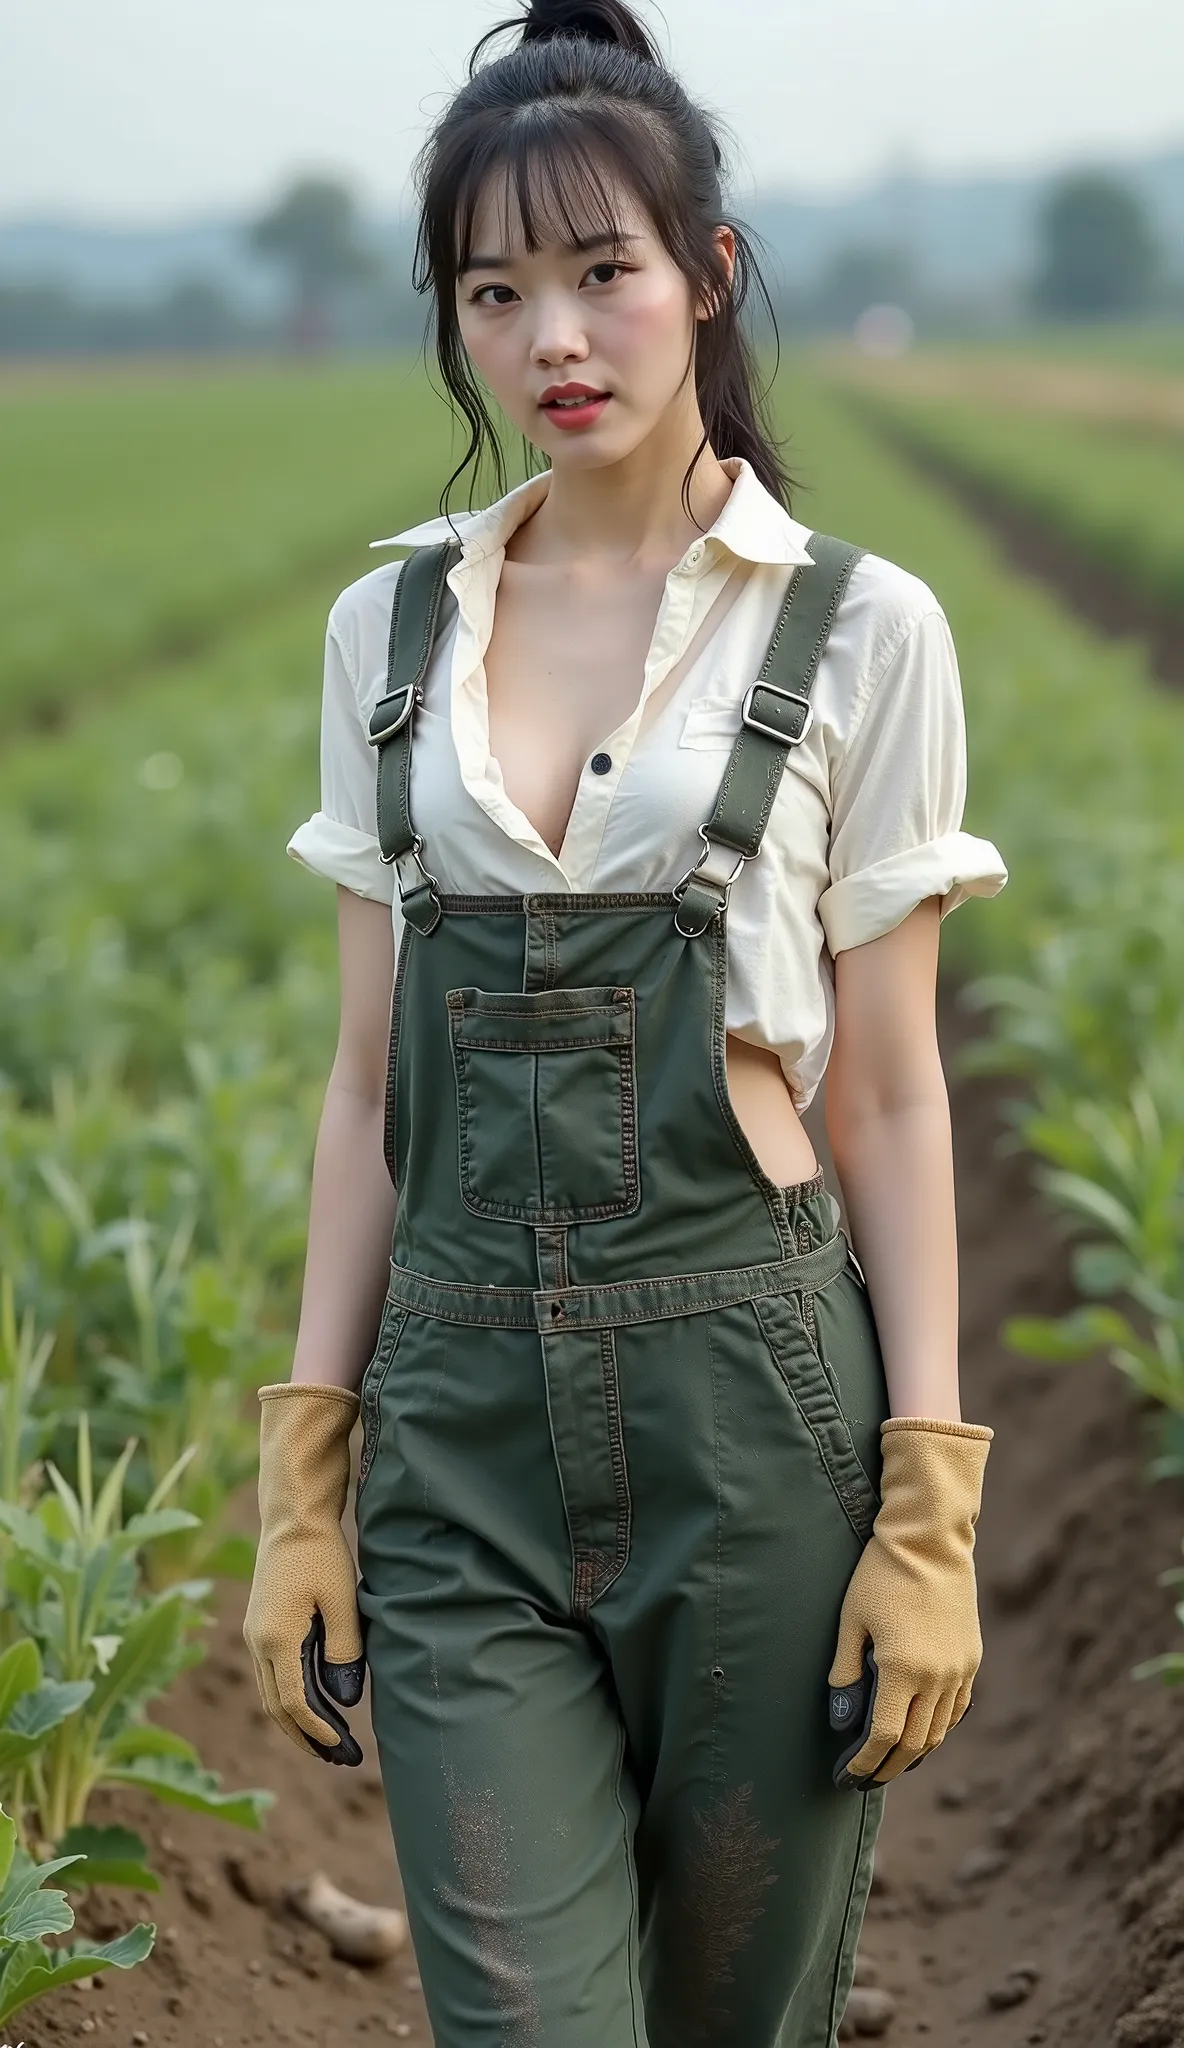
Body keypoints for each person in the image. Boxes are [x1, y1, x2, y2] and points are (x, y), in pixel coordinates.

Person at [243, 1, 1008, 2040]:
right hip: (460, 1420)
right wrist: (302, 1469)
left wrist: (926, 1501)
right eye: (496, 291)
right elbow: (361, 1088)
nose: (554, 339)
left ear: (707, 278)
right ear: (455, 320)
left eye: (603, 274)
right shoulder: (385, 630)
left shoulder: (856, 627)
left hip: (751, 1414)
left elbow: (898, 1097)